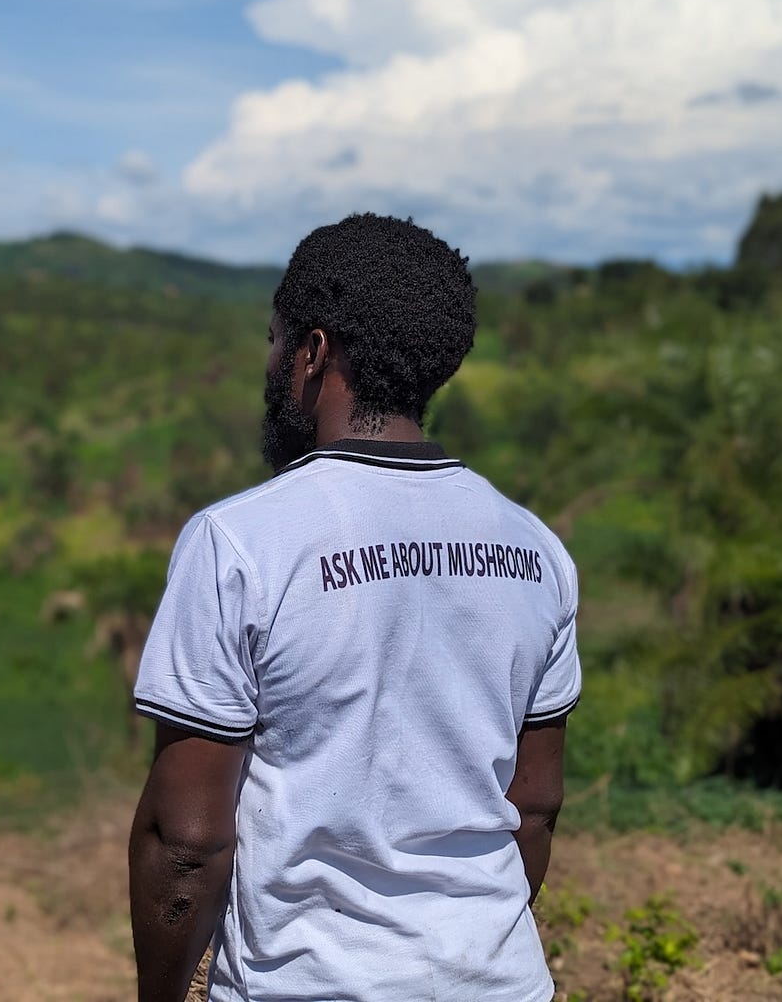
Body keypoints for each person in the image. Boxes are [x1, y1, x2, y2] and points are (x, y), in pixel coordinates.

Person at [128, 213, 580, 1002]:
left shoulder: (239, 543)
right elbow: (534, 807)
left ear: (312, 352)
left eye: (276, 340)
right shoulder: (535, 550)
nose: (271, 361)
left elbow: (186, 842)